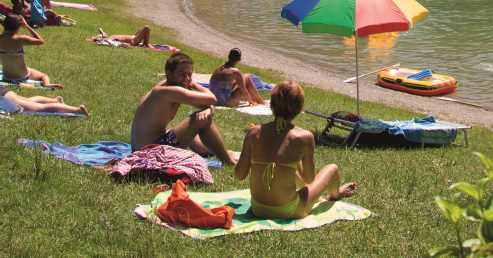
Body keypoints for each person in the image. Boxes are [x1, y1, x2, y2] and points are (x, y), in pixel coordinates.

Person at [235, 81, 357, 220]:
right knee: (332, 169)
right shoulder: (304, 137)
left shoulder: (253, 133)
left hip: (258, 209)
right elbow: (309, 179)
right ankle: (336, 194)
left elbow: (239, 175)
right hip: (288, 211)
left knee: (286, 167)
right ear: (299, 108)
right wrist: (296, 159)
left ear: (272, 104)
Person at [130, 52, 238, 164]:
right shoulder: (170, 91)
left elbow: (208, 106)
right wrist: (196, 86)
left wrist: (207, 111)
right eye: (181, 74)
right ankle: (228, 160)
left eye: (189, 75)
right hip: (149, 153)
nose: (186, 79)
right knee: (199, 119)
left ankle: (219, 151)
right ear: (169, 74)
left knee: (198, 120)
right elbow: (212, 99)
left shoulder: (166, 85)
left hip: (140, 149)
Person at [0, 13, 57, 86]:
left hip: (6, 77)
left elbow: (5, 33)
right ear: (17, 27)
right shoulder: (20, 39)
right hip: (21, 76)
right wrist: (27, 26)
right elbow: (41, 41)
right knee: (44, 76)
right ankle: (47, 84)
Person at [87, 26, 152, 46]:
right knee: (147, 28)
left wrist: (102, 33)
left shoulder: (109, 37)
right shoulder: (111, 40)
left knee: (142, 29)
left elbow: (100, 29)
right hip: (134, 40)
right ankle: (146, 44)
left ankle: (145, 43)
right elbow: (121, 43)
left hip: (133, 36)